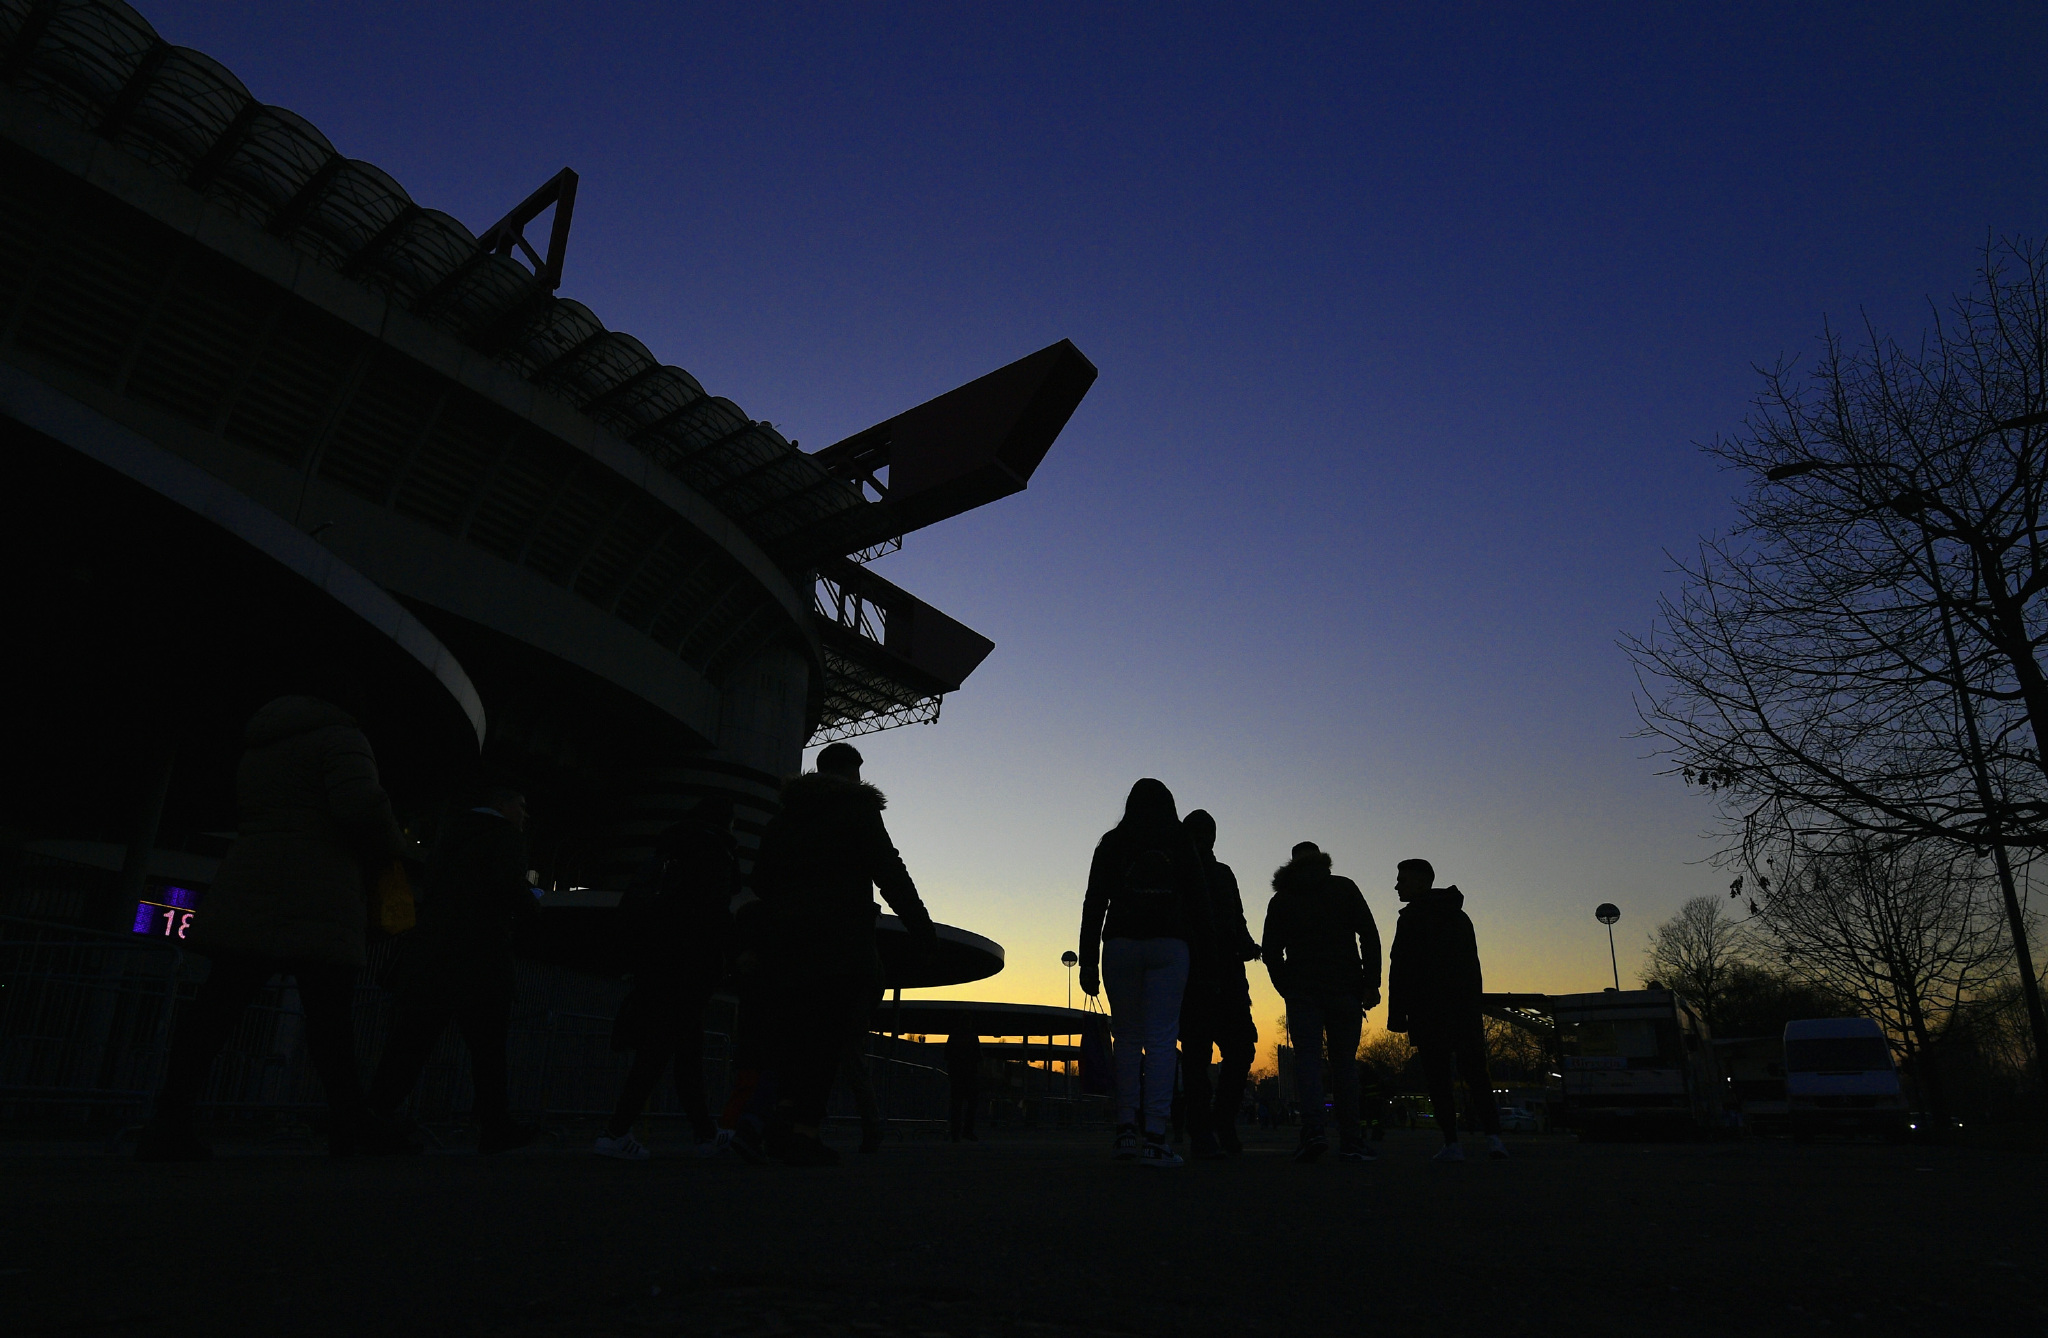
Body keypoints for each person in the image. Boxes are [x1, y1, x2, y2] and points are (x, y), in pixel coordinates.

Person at [138, 693, 411, 1160]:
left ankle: (170, 1118)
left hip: (254, 879)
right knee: (331, 1020)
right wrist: (393, 850)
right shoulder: (343, 739)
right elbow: (359, 805)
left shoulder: (261, 745)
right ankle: (350, 1123)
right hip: (316, 884)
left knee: (216, 1008)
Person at [746, 741, 937, 1166]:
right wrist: (921, 928)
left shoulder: (784, 818)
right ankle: (805, 1134)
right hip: (838, 943)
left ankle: (781, 1124)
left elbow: (760, 881)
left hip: (787, 945)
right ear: (853, 772)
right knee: (828, 1037)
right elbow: (889, 870)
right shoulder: (857, 810)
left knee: (794, 1037)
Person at [366, 786, 540, 1154]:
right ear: (501, 804)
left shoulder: (451, 835)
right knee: (488, 1049)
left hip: (432, 956)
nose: (524, 815)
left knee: (412, 1042)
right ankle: (495, 1126)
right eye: (521, 806)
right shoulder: (503, 838)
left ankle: (374, 1116)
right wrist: (533, 911)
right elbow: (508, 889)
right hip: (480, 958)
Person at [595, 799, 739, 1160]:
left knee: (685, 1049)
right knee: (660, 1050)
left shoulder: (667, 849)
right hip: (688, 966)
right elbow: (711, 914)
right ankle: (615, 1131)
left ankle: (705, 1133)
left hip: (656, 961)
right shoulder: (713, 852)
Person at [1077, 778, 1209, 1168]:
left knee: (1128, 1038)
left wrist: (1087, 959)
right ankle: (1155, 1135)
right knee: (1163, 1039)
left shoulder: (1113, 842)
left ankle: (1125, 1132)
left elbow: (1094, 900)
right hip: (1170, 943)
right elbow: (1200, 903)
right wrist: (1202, 957)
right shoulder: (1181, 842)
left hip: (1120, 943)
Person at [1262, 841, 1381, 1163]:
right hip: (1345, 986)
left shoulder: (1283, 899)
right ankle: (1351, 1140)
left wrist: (1286, 986)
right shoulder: (1343, 888)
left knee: (1308, 1061)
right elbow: (1369, 933)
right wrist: (1372, 981)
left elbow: (1270, 951)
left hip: (1303, 989)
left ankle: (1313, 1130)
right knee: (1344, 1065)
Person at [1386, 859, 1505, 1162]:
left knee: (1438, 1078)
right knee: (1477, 1074)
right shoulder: (1458, 917)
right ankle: (1494, 1139)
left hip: (1427, 1010)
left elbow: (1400, 970)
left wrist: (1398, 1015)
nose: (1397, 885)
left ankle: (1452, 1143)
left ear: (1421, 882)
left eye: (1403, 879)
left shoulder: (1410, 919)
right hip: (1462, 1008)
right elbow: (1472, 968)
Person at [1178, 809, 1260, 1159]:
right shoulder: (1181, 871)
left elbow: (1235, 916)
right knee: (1199, 1056)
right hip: (1196, 976)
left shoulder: (1222, 873)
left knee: (1236, 1050)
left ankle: (1216, 1123)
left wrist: (1247, 945)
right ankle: (1205, 1129)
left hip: (1223, 975)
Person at [945, 1028, 982, 1142]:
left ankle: (955, 1132)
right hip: (969, 1076)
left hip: (957, 1076)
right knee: (971, 1105)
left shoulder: (953, 1036)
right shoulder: (973, 1037)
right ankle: (967, 1131)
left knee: (956, 1106)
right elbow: (978, 1056)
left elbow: (947, 1055)